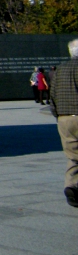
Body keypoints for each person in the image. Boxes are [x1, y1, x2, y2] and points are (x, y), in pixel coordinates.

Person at [49, 40, 78, 208]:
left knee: (73, 156)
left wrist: (59, 115)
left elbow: (52, 96)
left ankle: (71, 186)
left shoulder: (60, 70)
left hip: (64, 118)